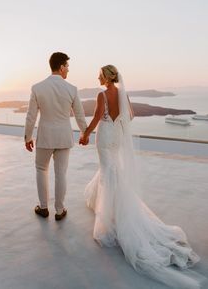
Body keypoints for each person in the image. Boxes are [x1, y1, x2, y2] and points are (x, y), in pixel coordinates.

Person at [79, 65, 202, 289]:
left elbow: (97, 116)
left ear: (106, 77)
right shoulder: (123, 94)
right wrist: (118, 124)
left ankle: (110, 215)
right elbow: (131, 116)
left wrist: (86, 134)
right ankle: (113, 204)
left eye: (99, 74)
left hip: (105, 136)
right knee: (112, 170)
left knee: (108, 172)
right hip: (116, 134)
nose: (97, 77)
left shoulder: (101, 95)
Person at [25, 52, 87, 220]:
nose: (68, 70)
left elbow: (31, 116)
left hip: (45, 137)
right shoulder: (72, 89)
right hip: (63, 138)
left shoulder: (37, 88)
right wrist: (85, 133)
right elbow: (80, 116)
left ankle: (44, 208)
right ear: (61, 68)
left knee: (41, 169)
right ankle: (59, 211)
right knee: (61, 174)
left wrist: (27, 137)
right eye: (67, 66)